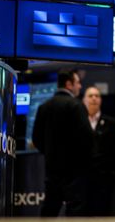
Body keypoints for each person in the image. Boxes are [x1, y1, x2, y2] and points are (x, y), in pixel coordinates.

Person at [32, 69, 94, 217]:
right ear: (68, 84)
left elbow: (36, 139)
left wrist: (51, 154)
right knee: (75, 211)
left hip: (52, 170)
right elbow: (87, 138)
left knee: (50, 209)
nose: (80, 86)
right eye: (77, 83)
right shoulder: (76, 106)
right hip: (74, 172)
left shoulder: (44, 107)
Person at [82, 86, 115, 216]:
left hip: (104, 179)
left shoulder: (111, 123)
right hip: (82, 179)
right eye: (90, 96)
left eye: (97, 96)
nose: (94, 99)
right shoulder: (78, 122)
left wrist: (112, 171)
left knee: (103, 212)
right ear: (83, 100)